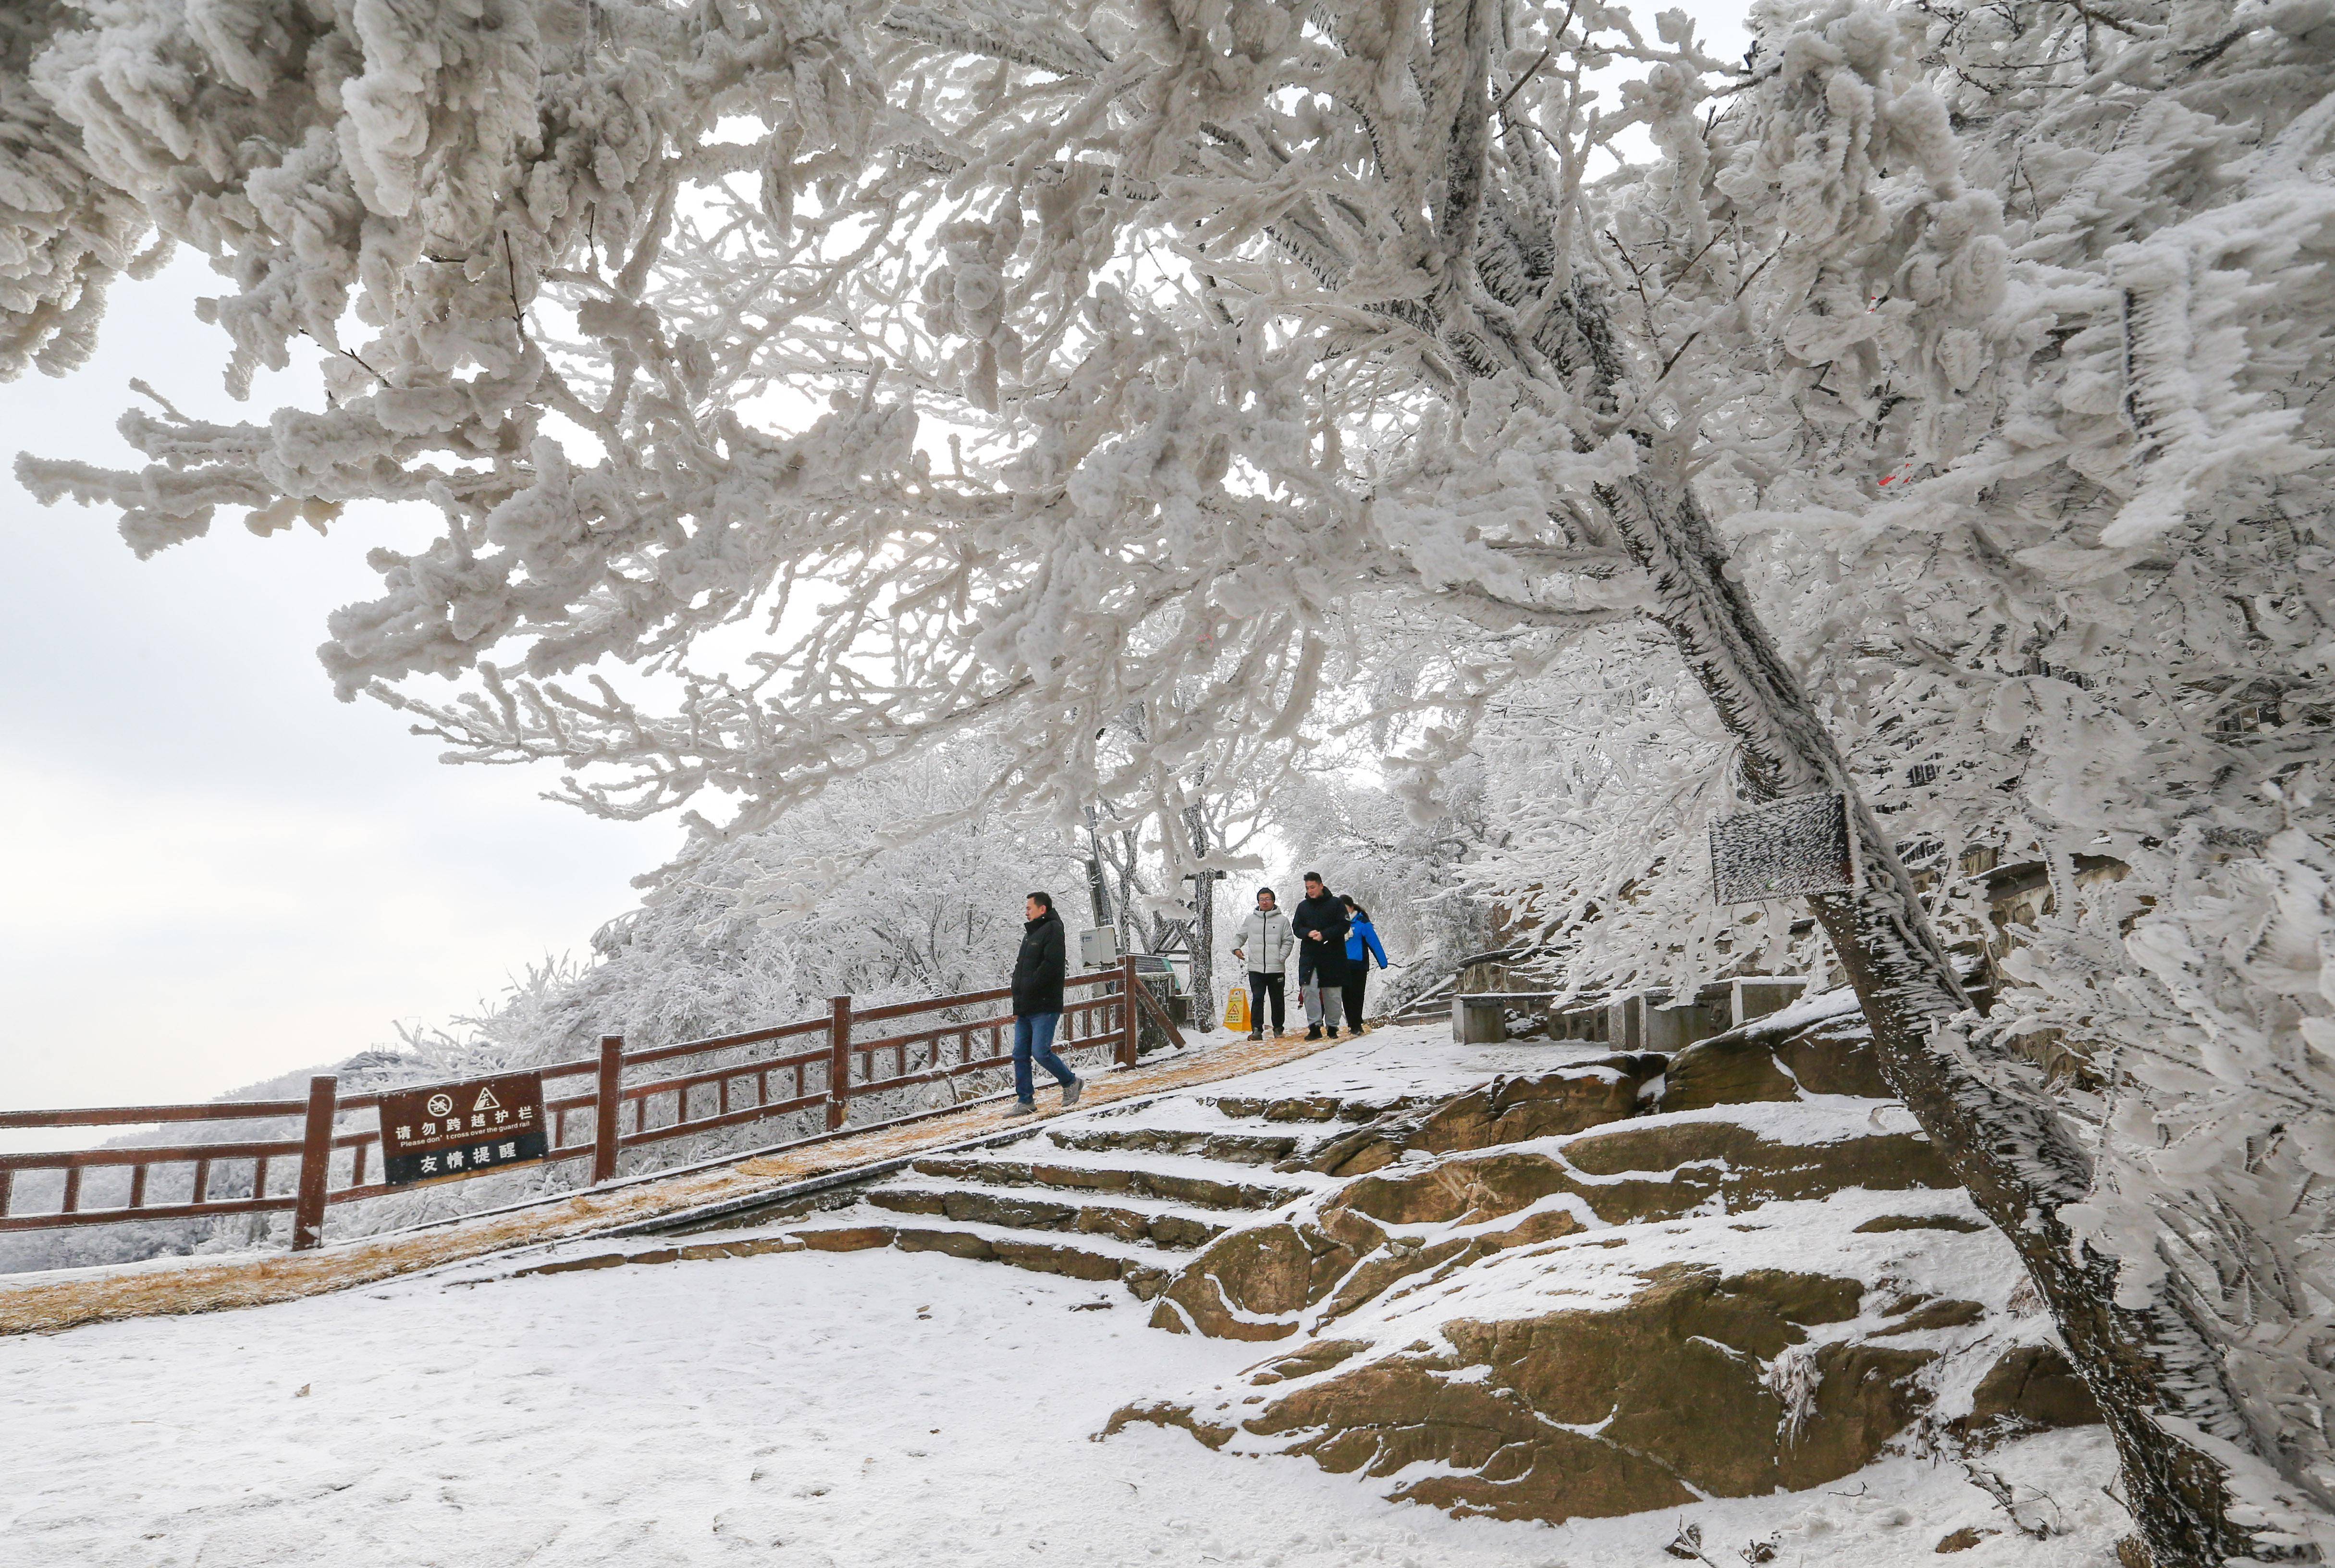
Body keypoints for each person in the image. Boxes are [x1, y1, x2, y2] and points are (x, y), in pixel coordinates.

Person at [1007, 892, 1081, 1116]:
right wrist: (1018, 991)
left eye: (1030, 908)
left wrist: (1029, 985)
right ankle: (1025, 1100)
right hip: (1026, 1006)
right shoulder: (1030, 935)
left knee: (1040, 1052)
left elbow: (1052, 965)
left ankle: (1070, 1082)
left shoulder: (1053, 930)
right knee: (1020, 1054)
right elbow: (1022, 968)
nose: (1026, 911)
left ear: (1042, 910)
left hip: (1045, 1004)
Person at [1289, 871, 1351, 1040]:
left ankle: (1332, 1026)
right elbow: (1297, 927)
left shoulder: (1336, 904)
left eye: (1313, 887)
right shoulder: (1303, 907)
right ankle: (1314, 1027)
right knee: (1309, 990)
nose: (1310, 891)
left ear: (1321, 885)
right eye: (1308, 888)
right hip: (1310, 956)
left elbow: (1344, 925)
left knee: (1332, 992)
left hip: (1333, 954)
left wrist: (1325, 935)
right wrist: (1309, 933)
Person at [1230, 887, 1295, 1041]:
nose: (1264, 902)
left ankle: (1278, 1028)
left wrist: (1281, 957)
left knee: (1277, 999)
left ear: (1273, 901)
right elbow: (1240, 936)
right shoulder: (1251, 920)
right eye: (1262, 899)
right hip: (1256, 968)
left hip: (1276, 969)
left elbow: (1288, 941)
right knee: (1258, 998)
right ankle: (1257, 1030)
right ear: (1258, 901)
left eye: (1267, 899)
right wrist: (1236, 948)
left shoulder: (1282, 920)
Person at [1340, 895, 1389, 1032]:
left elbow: (1374, 942)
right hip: (1343, 965)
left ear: (1351, 907)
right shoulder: (1338, 924)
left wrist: (1383, 962)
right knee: (1346, 995)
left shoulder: (1362, 922)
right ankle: (1352, 1023)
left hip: (1359, 964)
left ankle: (1356, 1024)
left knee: (1357, 994)